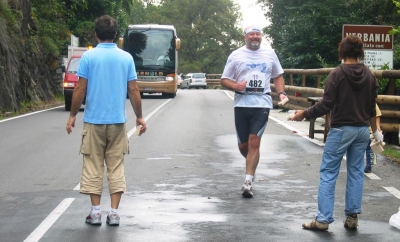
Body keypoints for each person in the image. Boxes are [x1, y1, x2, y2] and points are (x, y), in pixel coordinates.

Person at [290, 35, 383, 230]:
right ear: (360, 53)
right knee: (356, 173)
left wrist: (304, 114)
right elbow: (372, 106)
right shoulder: (370, 75)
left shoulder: (337, 74)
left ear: (342, 51)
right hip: (361, 130)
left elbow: (326, 104)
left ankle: (323, 219)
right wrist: (376, 132)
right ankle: (352, 217)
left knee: (329, 172)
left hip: (341, 129)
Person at [65, 15, 146, 226]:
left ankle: (95, 212)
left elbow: (80, 88)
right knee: (116, 165)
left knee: (93, 164)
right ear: (116, 35)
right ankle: (114, 213)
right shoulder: (126, 58)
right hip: (118, 122)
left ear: (96, 34)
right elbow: (133, 89)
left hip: (93, 121)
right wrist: (139, 116)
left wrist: (73, 115)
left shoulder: (89, 57)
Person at [220, 25, 287, 198]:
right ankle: (252, 163)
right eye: (252, 34)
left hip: (262, 103)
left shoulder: (270, 54)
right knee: (244, 146)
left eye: (258, 34)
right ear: (245, 37)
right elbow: (224, 79)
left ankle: (248, 181)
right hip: (242, 104)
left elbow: (278, 75)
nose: (255, 36)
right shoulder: (236, 55)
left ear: (261, 36)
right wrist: (235, 86)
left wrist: (281, 93)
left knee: (254, 141)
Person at [364, 104, 382, 173]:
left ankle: (369, 165)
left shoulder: (372, 102)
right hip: (361, 129)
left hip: (370, 130)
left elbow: (377, 115)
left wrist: (377, 127)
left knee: (369, 149)